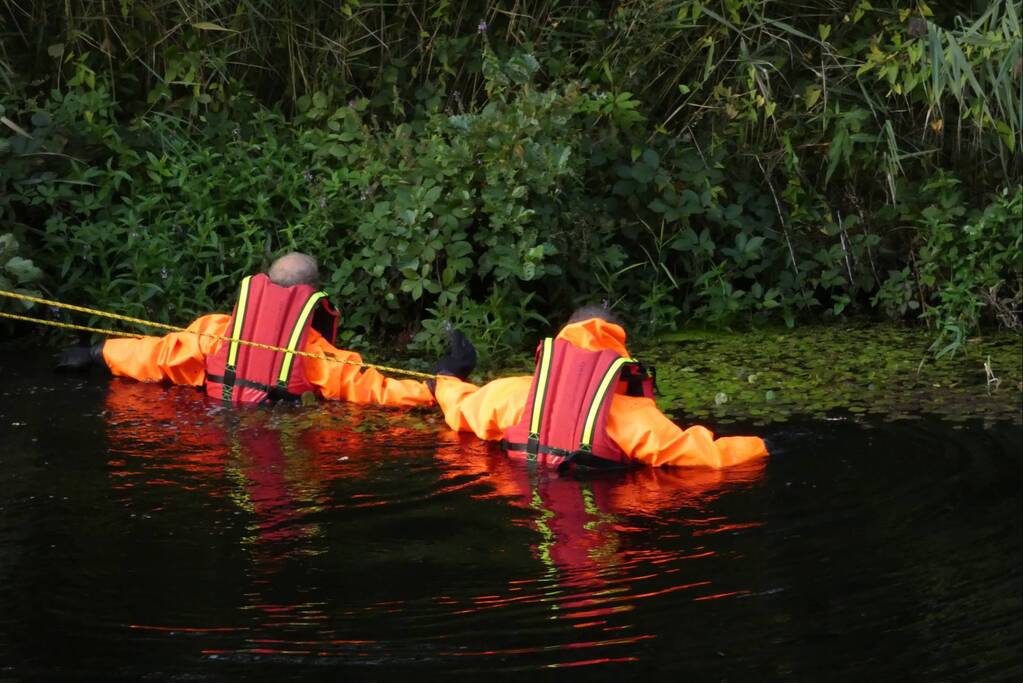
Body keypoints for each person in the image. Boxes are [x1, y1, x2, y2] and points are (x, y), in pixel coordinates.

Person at [57, 252, 475, 407]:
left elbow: (158, 354)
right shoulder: (313, 354)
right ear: (310, 297)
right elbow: (373, 389)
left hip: (214, 425)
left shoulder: (215, 330)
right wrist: (441, 382)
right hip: (276, 432)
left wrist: (97, 352)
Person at [431, 306, 768, 469]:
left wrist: (448, 375)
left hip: (526, 493)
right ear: (617, 356)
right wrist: (762, 445)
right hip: (600, 502)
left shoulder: (514, 393)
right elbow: (710, 458)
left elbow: (459, 409)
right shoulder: (632, 416)